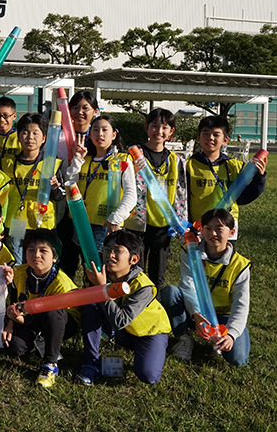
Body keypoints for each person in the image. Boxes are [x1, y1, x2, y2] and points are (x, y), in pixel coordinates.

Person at [77, 230, 172, 385]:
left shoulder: (143, 286)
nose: (111, 255)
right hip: (121, 330)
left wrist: (101, 289)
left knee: (148, 375)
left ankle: (154, 350)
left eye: (117, 251)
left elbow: (121, 320)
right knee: (91, 304)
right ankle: (91, 362)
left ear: (133, 259)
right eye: (107, 250)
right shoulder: (99, 275)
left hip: (149, 333)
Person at [160, 209, 250, 366]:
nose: (213, 233)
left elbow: (241, 304)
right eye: (208, 228)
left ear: (231, 232)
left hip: (223, 316)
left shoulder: (240, 265)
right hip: (196, 312)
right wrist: (196, 314)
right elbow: (187, 286)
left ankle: (223, 337)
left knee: (238, 359)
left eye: (219, 228)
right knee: (170, 292)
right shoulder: (190, 252)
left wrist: (231, 334)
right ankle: (184, 338)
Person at [3, 229, 80, 388]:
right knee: (15, 347)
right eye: (31, 250)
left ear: (55, 257)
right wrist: (11, 321)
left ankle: (50, 364)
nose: (36, 255)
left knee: (53, 309)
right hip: (33, 317)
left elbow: (59, 314)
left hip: (63, 321)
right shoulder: (18, 273)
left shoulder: (61, 283)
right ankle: (40, 346)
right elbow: (13, 302)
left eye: (43, 250)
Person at [125, 108, 187, 288]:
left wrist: (180, 222)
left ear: (171, 132)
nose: (158, 131)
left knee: (158, 275)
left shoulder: (176, 161)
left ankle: (155, 310)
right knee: (136, 271)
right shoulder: (133, 156)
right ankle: (136, 309)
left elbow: (181, 192)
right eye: (154, 126)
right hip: (137, 223)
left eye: (164, 127)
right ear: (146, 127)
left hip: (163, 224)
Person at [64, 115, 137, 255]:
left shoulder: (122, 159)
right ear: (90, 134)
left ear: (114, 134)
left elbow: (131, 194)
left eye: (105, 130)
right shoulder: (85, 159)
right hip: (80, 222)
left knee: (102, 267)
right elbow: (69, 185)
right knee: (84, 269)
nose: (100, 134)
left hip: (106, 224)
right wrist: (77, 160)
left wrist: (116, 218)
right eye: (95, 130)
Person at [186, 115, 266, 237]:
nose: (210, 138)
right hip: (200, 227)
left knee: (226, 256)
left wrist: (259, 178)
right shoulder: (189, 165)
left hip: (227, 227)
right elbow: (184, 198)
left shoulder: (235, 167)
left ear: (225, 140)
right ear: (199, 137)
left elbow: (243, 197)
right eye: (205, 133)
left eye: (216, 134)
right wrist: (190, 225)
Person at [0, 114, 61, 265]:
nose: (30, 137)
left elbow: (60, 196)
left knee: (40, 262)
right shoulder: (7, 163)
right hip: (16, 221)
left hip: (42, 222)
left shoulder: (52, 164)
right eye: (25, 132)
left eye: (35, 133)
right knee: (16, 262)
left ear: (44, 138)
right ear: (19, 136)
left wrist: (55, 187)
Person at [56, 90, 101, 278]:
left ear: (95, 112)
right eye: (75, 107)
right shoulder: (58, 137)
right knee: (67, 258)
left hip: (92, 208)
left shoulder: (100, 137)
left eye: (85, 108)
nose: (79, 112)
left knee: (92, 261)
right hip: (65, 206)